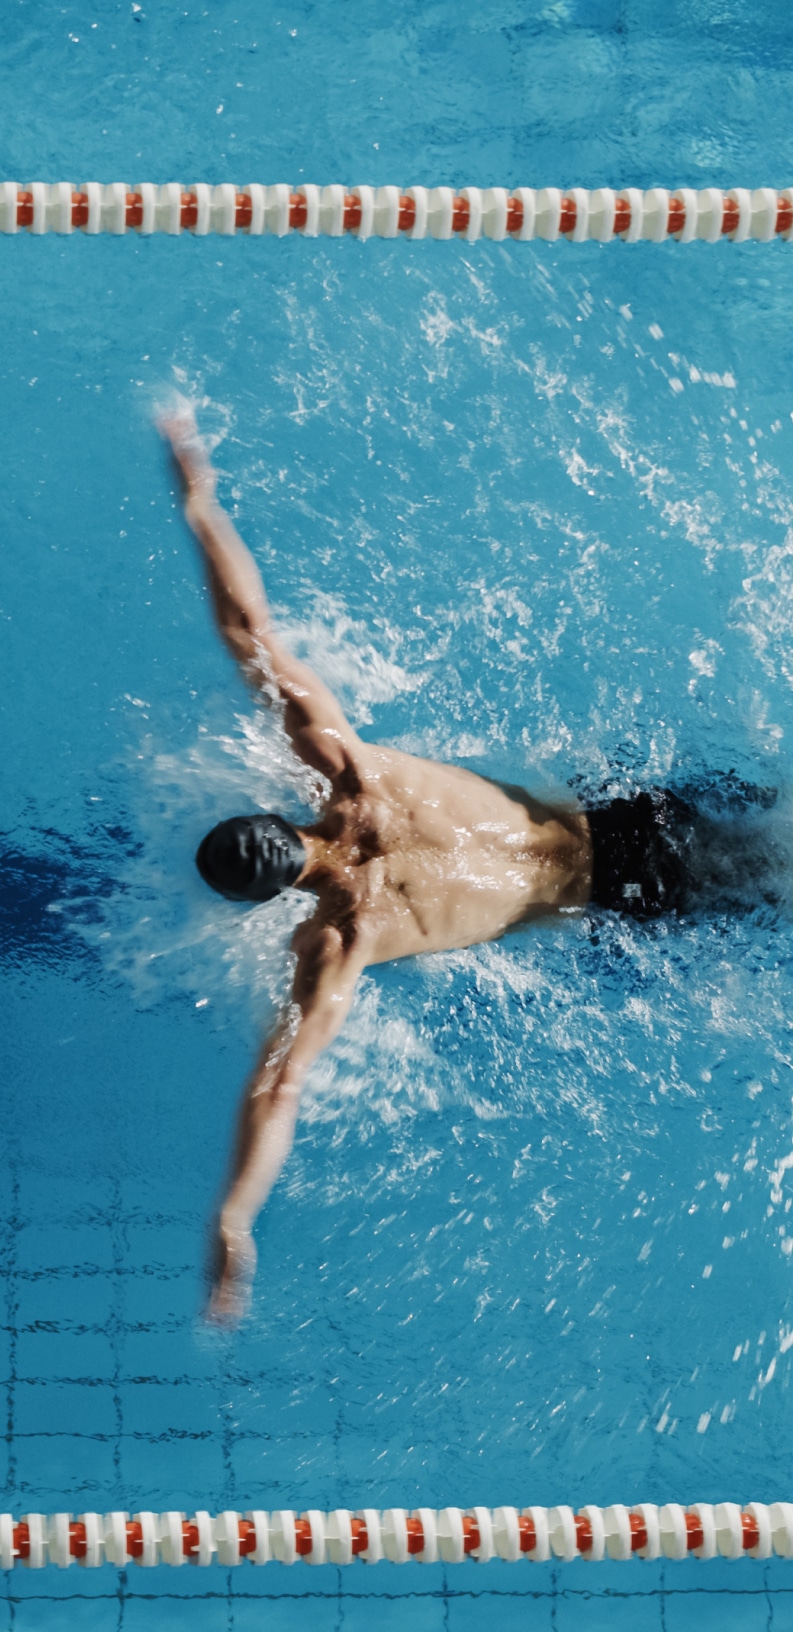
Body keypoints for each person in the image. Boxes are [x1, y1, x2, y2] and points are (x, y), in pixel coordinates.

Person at [162, 406, 707, 1324]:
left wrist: (234, 1216)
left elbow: (279, 1086)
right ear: (272, 810)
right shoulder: (350, 771)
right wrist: (199, 501)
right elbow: (249, 632)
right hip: (629, 819)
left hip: (624, 898)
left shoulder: (339, 941)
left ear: (263, 901)